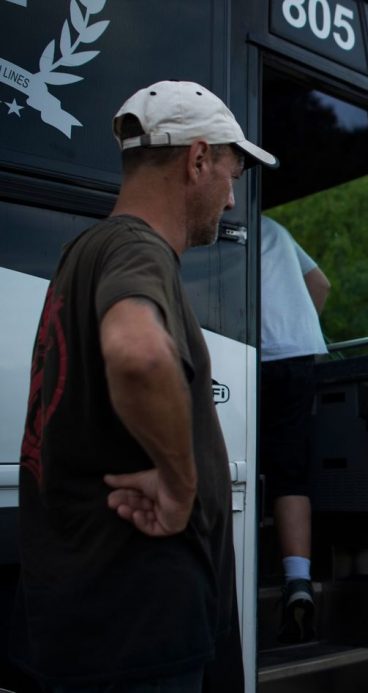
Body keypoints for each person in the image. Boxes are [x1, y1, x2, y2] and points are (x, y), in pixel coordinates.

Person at [13, 80, 277, 691]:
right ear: (198, 158)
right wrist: (182, 486)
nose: (232, 201)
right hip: (137, 629)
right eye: (231, 175)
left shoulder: (86, 250)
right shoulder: (139, 248)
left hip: (94, 624)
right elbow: (136, 353)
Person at [259, 214, 330, 643]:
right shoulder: (275, 229)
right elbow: (320, 284)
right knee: (290, 472)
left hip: (253, 349)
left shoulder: (217, 219)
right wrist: (299, 325)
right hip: (300, 352)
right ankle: (298, 581)